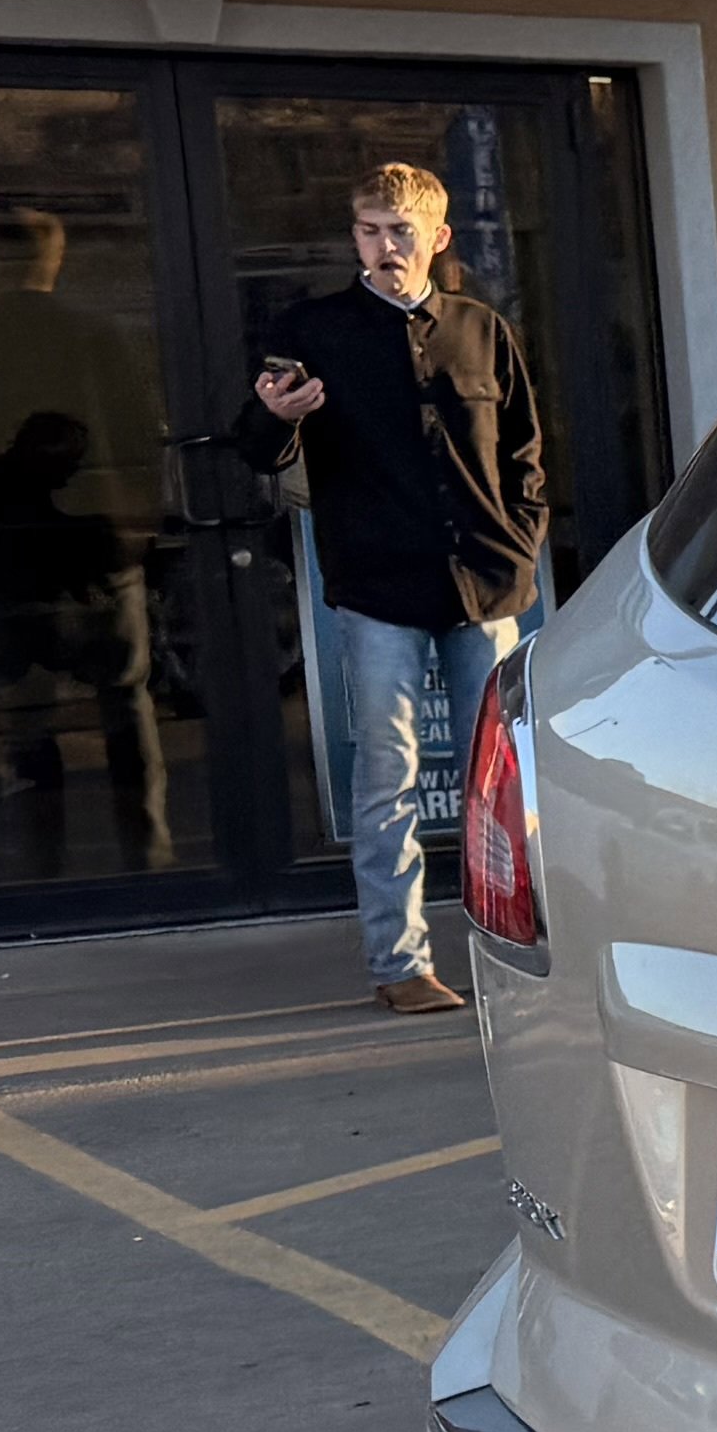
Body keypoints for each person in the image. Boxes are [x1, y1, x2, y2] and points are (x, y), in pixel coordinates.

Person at [230, 159, 545, 1012]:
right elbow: (258, 450)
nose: (384, 247)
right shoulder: (313, 329)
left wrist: (522, 544)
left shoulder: (483, 330)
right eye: (369, 231)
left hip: (486, 584)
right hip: (377, 588)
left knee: (504, 781)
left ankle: (518, 950)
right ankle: (401, 964)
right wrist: (276, 418)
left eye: (400, 232)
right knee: (388, 776)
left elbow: (523, 454)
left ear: (437, 239)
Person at [0, 207, 170, 867]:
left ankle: (43, 865)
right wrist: (139, 527)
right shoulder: (94, 334)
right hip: (95, 540)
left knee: (28, 709)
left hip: (10, 541)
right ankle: (146, 854)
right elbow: (140, 434)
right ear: (52, 262)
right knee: (123, 699)